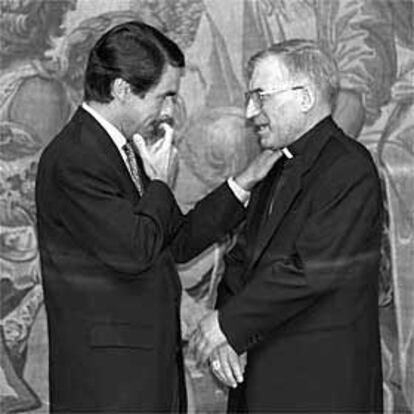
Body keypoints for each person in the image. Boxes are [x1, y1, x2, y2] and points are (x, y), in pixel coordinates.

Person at [35, 21, 280, 413]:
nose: (169, 112)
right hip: (110, 384)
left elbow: (176, 242)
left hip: (142, 371)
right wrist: (160, 185)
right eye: (164, 96)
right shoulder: (75, 158)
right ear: (121, 90)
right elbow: (134, 251)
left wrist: (244, 181)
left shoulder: (121, 149)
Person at [191, 39, 384, 412]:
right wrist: (228, 340)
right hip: (264, 384)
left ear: (305, 97)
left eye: (261, 97)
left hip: (321, 389)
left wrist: (228, 325)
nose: (251, 112)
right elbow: (241, 260)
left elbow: (311, 270)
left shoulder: (349, 168)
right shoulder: (277, 163)